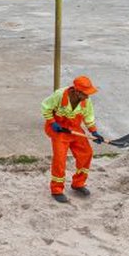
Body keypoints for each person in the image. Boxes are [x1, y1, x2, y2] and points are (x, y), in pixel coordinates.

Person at [41, 75, 105, 203]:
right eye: (85, 93)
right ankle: (57, 190)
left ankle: (78, 183)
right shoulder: (59, 95)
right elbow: (45, 107)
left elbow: (88, 116)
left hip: (75, 129)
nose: (88, 96)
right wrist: (52, 122)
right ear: (76, 91)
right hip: (59, 130)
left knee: (86, 153)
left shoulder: (86, 101)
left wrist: (94, 132)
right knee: (60, 159)